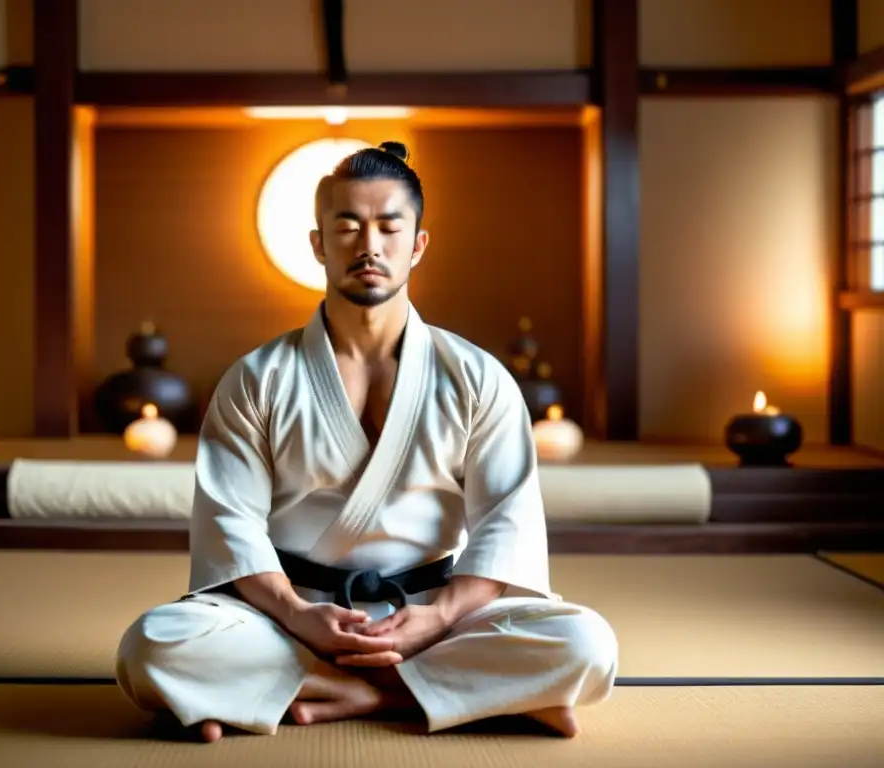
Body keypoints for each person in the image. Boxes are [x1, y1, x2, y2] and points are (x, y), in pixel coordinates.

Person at [115, 141, 618, 742]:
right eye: (347, 226)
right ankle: (445, 693)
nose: (369, 245)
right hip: (290, 613)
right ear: (318, 243)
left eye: (388, 226)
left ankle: (325, 691)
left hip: (437, 612)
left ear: (418, 243)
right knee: (151, 646)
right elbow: (232, 525)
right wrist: (300, 617)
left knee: (587, 644)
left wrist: (438, 620)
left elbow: (504, 525)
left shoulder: (477, 378)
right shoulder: (258, 378)